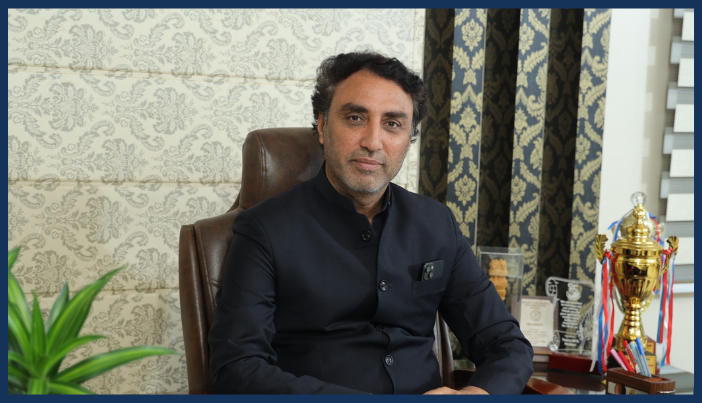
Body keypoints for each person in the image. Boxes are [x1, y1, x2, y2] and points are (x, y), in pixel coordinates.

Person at [208, 51, 533, 394]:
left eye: (392, 124)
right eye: (355, 118)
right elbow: (237, 369)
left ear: (409, 139)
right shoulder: (264, 229)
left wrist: (476, 395)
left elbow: (506, 344)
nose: (373, 142)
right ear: (322, 126)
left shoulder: (437, 224)